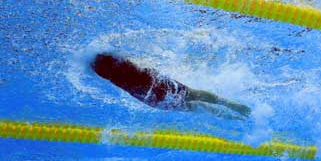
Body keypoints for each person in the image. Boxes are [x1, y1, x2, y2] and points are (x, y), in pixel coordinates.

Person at [91, 53, 251, 118]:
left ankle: (229, 116)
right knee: (193, 93)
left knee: (190, 106)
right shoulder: (116, 59)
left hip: (151, 96)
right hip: (154, 80)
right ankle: (228, 103)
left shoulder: (101, 69)